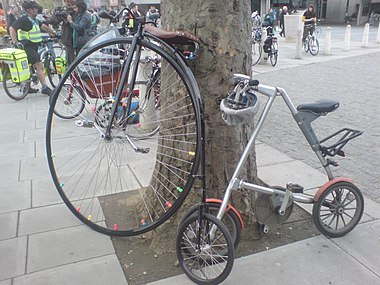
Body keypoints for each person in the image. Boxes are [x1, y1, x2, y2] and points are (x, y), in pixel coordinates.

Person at [9, 0, 56, 95]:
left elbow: (43, 26)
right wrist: (15, 42)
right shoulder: (24, 19)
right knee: (39, 65)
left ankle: (28, 87)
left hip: (34, 46)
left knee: (30, 66)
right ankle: (44, 87)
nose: (37, 10)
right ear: (29, 10)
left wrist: (53, 33)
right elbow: (12, 28)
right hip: (27, 46)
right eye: (35, 8)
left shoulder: (34, 20)